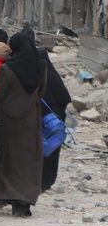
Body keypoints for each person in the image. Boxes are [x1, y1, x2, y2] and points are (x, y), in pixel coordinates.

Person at [0, 33, 46, 217]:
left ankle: (6, 194)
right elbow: (41, 93)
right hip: (31, 119)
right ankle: (24, 202)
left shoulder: (7, 70)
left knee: (7, 159)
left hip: (7, 121)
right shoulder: (41, 68)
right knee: (28, 161)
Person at [36, 41, 71, 191]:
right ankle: (48, 180)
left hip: (47, 119)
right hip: (57, 119)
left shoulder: (41, 76)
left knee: (44, 147)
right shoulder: (54, 76)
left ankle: (43, 181)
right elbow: (66, 98)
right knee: (53, 149)